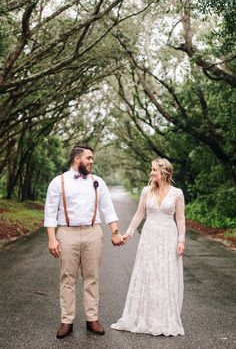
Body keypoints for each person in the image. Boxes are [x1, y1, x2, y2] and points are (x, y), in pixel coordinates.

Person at [44, 145, 124, 339]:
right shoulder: (58, 182)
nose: (91, 161)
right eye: (88, 158)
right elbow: (50, 211)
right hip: (67, 233)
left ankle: (92, 319)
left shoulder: (98, 182)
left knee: (92, 277)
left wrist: (115, 232)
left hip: (93, 233)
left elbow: (108, 209)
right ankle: (67, 321)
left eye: (92, 158)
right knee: (67, 278)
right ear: (77, 159)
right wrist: (52, 238)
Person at [111, 158, 185, 336]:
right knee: (149, 273)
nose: (151, 173)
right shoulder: (146, 191)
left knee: (165, 274)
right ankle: (145, 317)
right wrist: (128, 233)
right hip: (149, 237)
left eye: (154, 170)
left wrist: (181, 240)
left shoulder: (177, 193)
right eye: (151, 170)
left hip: (168, 236)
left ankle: (164, 319)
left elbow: (180, 219)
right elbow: (139, 214)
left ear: (164, 172)